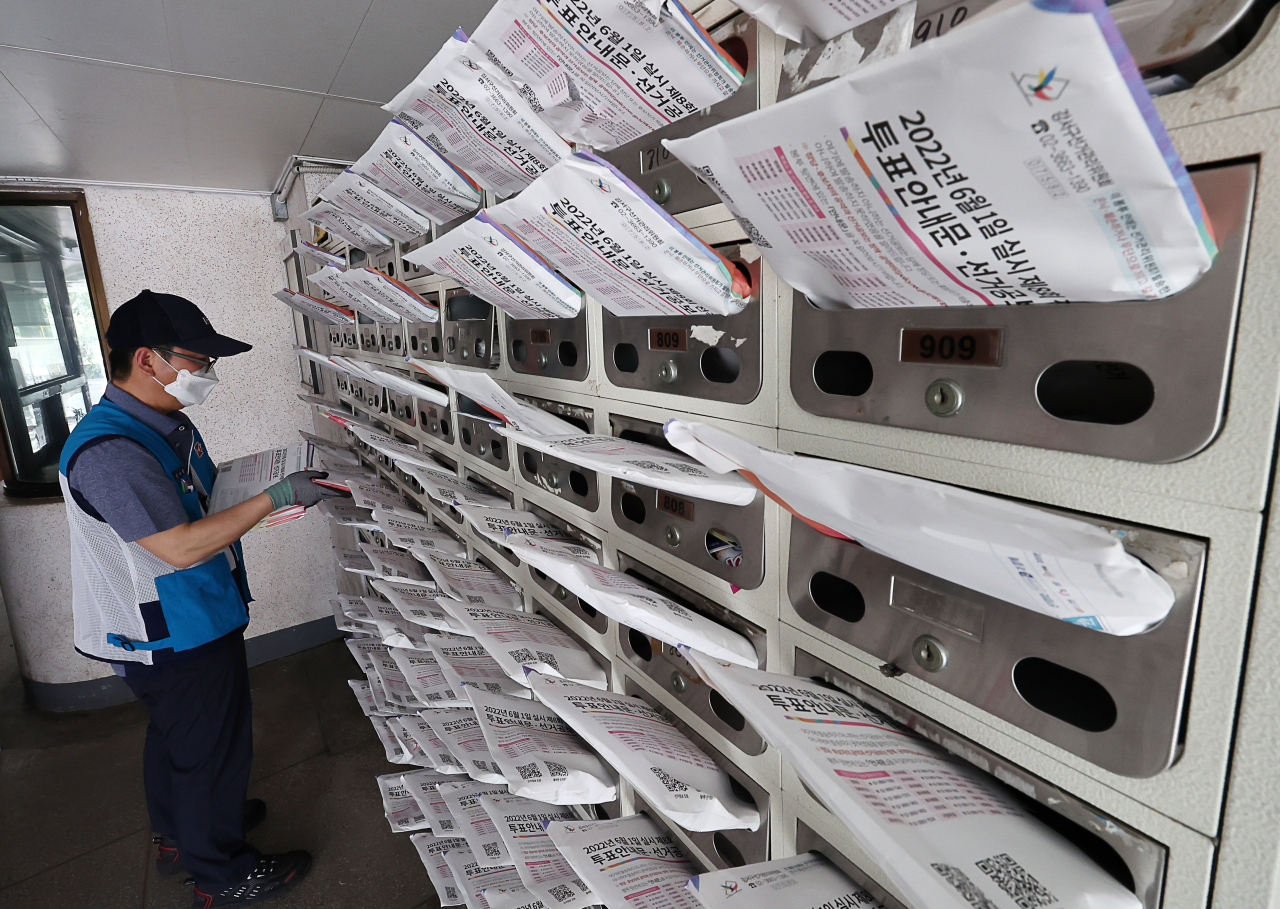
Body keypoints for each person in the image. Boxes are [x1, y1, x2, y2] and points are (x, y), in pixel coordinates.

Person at [57, 290, 347, 907]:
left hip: (184, 616)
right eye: (198, 360)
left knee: (177, 739)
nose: (208, 374)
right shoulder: (112, 451)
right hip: (168, 630)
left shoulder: (159, 422)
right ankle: (220, 875)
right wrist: (275, 496)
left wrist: (264, 486)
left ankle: (178, 838)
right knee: (210, 751)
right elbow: (181, 547)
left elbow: (200, 497)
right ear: (148, 359)